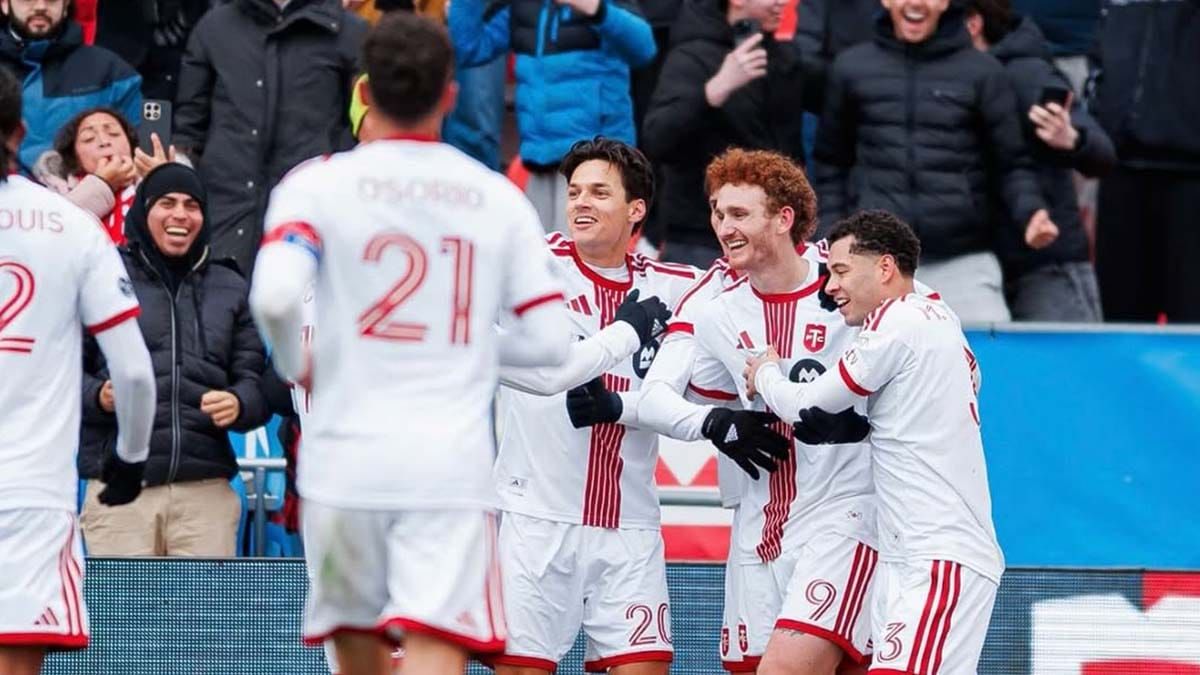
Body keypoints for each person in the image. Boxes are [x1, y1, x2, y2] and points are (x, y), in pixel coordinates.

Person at [249, 13, 571, 675]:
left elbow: (275, 297)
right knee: (433, 638)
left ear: (365, 93)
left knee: (354, 640)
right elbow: (549, 340)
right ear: (451, 94)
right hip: (445, 463)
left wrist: (295, 362)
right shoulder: (493, 197)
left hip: (343, 457)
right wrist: (465, 347)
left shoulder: (313, 184)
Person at [589, 149, 878, 674]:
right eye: (718, 214)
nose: (724, 227)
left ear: (783, 218)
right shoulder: (715, 301)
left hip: (844, 517)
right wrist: (717, 422)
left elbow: (928, 332)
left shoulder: (845, 277)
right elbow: (655, 397)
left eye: (740, 214)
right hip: (757, 525)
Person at [745, 209, 1005, 675]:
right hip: (910, 556)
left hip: (937, 557)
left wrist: (764, 370)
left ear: (885, 268)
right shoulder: (938, 317)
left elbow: (803, 404)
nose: (829, 287)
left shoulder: (898, 322)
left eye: (841, 271)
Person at [488, 137, 695, 675]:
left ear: (636, 210)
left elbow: (755, 287)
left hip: (631, 526)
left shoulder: (675, 287)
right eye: (574, 191)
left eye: (599, 192)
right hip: (536, 520)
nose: (580, 202)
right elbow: (542, 374)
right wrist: (627, 333)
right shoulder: (530, 273)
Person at [0, 66, 155, 675]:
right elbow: (135, 372)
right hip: (27, 494)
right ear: (19, 131)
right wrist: (131, 459)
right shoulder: (69, 225)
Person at [812, 0, 1056, 323]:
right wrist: (833, 240)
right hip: (873, 262)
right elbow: (831, 164)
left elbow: (1012, 164)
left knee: (988, 362)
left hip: (964, 261)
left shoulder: (983, 72)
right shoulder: (850, 68)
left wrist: (1031, 212)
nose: (915, 3)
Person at [77, 162, 270, 557]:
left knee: (204, 620)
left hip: (206, 495)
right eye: (166, 202)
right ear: (144, 211)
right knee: (122, 620)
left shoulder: (231, 285)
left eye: (191, 205)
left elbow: (255, 381)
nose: (180, 214)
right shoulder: (104, 273)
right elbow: (61, 372)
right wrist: (98, 395)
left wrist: (240, 402)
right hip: (119, 490)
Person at [174, 0, 368, 276]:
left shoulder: (350, 32)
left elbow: (364, 128)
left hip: (310, 218)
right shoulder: (214, 26)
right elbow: (189, 129)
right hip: (225, 215)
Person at [963, 0, 1115, 321]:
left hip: (1045, 264)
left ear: (972, 25)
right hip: (973, 262)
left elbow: (1101, 152)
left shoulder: (1026, 74)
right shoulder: (938, 79)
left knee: (1074, 366)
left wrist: (1072, 138)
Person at [448, 0, 656, 231]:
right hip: (539, 158)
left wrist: (598, 10)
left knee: (586, 258)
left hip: (597, 161)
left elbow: (644, 48)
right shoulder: (521, 7)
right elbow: (470, 49)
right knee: (541, 258)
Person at [641, 0, 807, 268]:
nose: (781, 3)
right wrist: (712, 92)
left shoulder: (783, 58)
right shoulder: (691, 56)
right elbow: (657, 137)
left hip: (774, 236)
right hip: (700, 242)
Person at [1091, 0, 1200, 323]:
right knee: (1121, 316)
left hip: (1191, 176)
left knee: (1191, 318)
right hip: (1120, 169)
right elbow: (1101, 59)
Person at [0, 0, 141, 174]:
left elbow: (140, 156)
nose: (40, 6)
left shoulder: (111, 72)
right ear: (5, 4)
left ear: (66, 5)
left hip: (90, 195)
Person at [33, 106, 179, 244]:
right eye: (88, 138)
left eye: (114, 134)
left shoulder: (152, 181)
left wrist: (163, 181)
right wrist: (102, 184)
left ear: (131, 145)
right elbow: (53, 234)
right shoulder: (51, 193)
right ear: (74, 155)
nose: (104, 142)